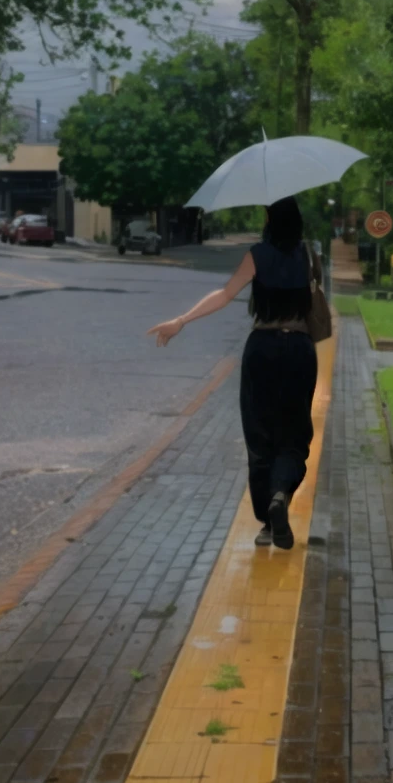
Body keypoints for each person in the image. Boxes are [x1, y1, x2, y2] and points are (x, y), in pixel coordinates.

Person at [147, 197, 318, 550]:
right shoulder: (310, 255)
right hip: (300, 348)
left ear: (270, 218)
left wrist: (181, 320)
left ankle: (268, 524)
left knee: (260, 438)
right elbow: (315, 301)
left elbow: (225, 295)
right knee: (294, 436)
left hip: (262, 349)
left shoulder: (256, 255)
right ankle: (281, 494)